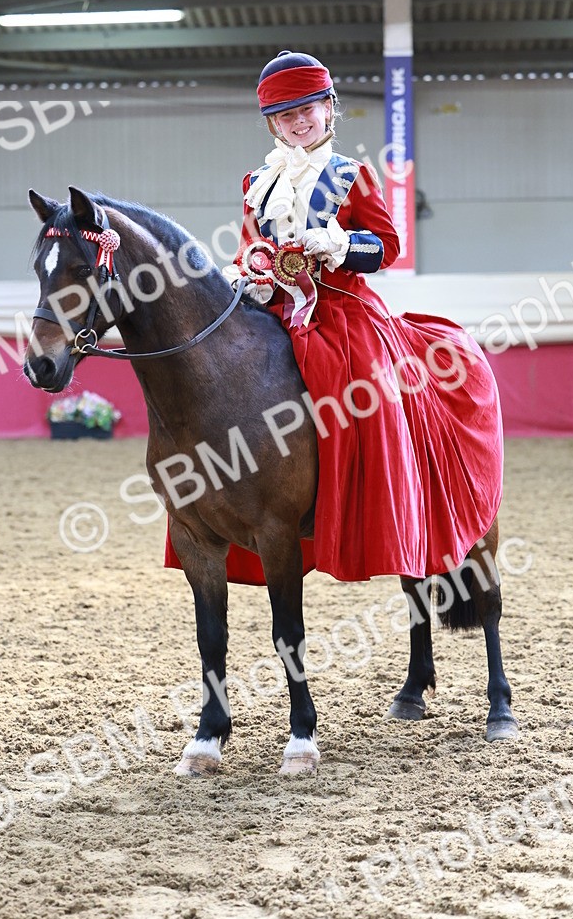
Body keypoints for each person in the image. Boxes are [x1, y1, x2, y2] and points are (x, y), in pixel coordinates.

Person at [216, 50, 504, 585]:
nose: (298, 123)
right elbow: (249, 249)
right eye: (285, 116)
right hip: (274, 307)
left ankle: (381, 501)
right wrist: (243, 274)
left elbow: (388, 246)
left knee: (371, 392)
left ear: (328, 108)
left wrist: (337, 244)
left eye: (307, 110)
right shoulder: (256, 182)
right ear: (272, 124)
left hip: (343, 309)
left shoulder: (353, 176)